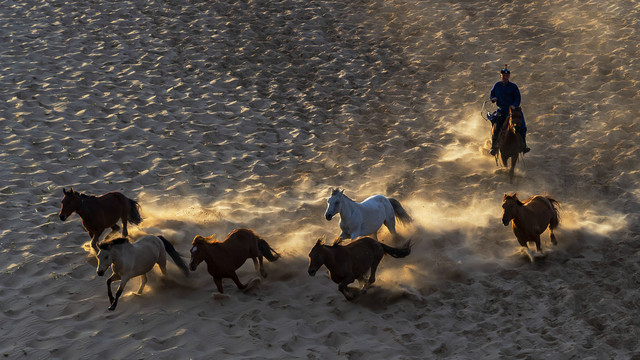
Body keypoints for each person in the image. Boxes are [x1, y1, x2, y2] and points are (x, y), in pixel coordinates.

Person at [489, 65, 530, 155]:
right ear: (501, 76)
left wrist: (514, 105)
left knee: (522, 126)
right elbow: (491, 95)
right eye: (503, 76)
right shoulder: (497, 85)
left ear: (509, 76)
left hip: (513, 110)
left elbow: (518, 98)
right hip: (501, 110)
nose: (505, 77)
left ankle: (523, 145)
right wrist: (493, 99)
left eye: (507, 76)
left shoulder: (513, 86)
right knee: (497, 127)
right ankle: (494, 147)